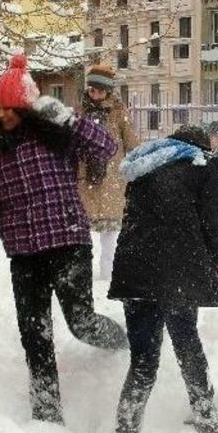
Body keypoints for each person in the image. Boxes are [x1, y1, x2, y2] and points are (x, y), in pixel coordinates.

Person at [0, 55, 128, 424]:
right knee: (35, 335)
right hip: (24, 254)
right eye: (0, 109)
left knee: (80, 321)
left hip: (67, 242)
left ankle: (122, 343)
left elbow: (106, 148)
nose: (5, 116)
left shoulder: (58, 135)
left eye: (13, 109)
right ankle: (47, 415)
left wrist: (68, 118)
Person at [110, 125, 218, 433]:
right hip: (179, 271)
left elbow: (133, 214)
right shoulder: (204, 163)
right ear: (203, 145)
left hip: (135, 270)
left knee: (142, 360)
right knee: (187, 342)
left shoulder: (146, 161)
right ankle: (206, 418)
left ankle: (126, 426)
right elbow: (214, 219)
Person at [77, 64, 140, 280]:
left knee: (110, 235)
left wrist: (137, 164)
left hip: (112, 179)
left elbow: (131, 140)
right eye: (92, 90)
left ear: (108, 91)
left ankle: (107, 277)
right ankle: (83, 276)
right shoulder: (81, 111)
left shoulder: (118, 111)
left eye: (100, 91)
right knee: (81, 233)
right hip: (87, 179)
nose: (95, 95)